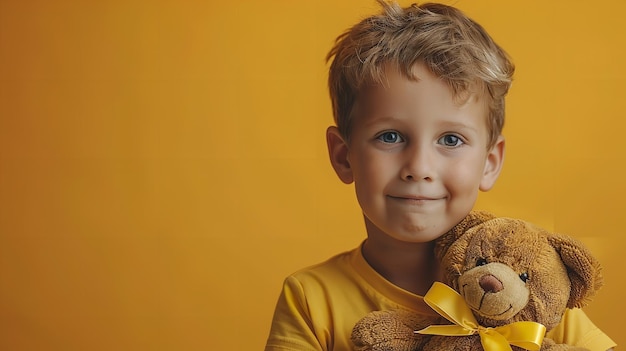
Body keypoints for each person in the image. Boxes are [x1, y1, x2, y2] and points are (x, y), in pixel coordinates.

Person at [264, 1, 616, 350]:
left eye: (450, 139)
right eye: (390, 136)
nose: (419, 167)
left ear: (489, 162)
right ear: (344, 156)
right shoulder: (311, 299)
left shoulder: (534, 292)